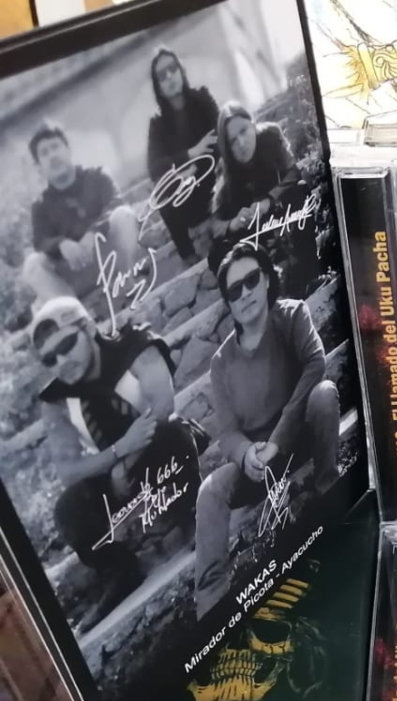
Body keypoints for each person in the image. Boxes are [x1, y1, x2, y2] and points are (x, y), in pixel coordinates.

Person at [34, 296, 202, 625]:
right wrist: (117, 455)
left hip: (158, 452)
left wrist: (126, 459)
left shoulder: (133, 345)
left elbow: (163, 405)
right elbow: (67, 471)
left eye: (66, 346)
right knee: (68, 509)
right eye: (50, 359)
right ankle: (120, 571)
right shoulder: (56, 399)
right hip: (114, 474)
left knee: (172, 433)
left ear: (87, 328)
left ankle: (196, 514)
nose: (62, 361)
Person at [193, 244, 340, 617]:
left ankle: (330, 494)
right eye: (234, 290)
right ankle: (212, 605)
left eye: (251, 280)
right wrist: (246, 455)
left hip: (300, 436)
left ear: (267, 279)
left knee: (324, 394)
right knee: (210, 490)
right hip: (258, 463)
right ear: (228, 303)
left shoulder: (292, 315)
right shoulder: (221, 362)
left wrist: (278, 440)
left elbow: (316, 364)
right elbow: (227, 432)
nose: (244, 293)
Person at [21, 122, 141, 302]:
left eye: (55, 147)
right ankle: (75, 312)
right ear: (39, 167)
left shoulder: (98, 176)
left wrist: (95, 231)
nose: (53, 155)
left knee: (123, 214)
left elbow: (116, 203)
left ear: (68, 150)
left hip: (113, 256)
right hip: (76, 271)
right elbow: (40, 241)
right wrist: (61, 243)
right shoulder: (40, 205)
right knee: (32, 265)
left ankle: (127, 284)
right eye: (44, 153)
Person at [208, 102, 315, 288]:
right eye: (233, 141)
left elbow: (293, 172)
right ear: (227, 147)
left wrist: (269, 200)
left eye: (243, 131)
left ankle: (311, 273)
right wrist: (234, 223)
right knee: (216, 253)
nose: (241, 144)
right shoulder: (224, 169)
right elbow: (214, 224)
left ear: (252, 123)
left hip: (281, 214)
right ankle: (256, 288)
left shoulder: (270, 134)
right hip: (254, 232)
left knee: (300, 190)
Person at [145, 47, 220, 263]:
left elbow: (220, 135)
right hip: (188, 197)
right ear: (158, 86)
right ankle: (188, 255)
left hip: (217, 179)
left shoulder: (202, 99)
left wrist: (198, 163)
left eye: (172, 69)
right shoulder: (158, 124)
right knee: (162, 190)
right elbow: (154, 167)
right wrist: (190, 155)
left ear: (181, 70)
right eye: (162, 75)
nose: (169, 77)